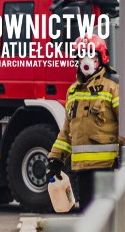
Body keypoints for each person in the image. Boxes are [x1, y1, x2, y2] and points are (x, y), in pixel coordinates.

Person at [47, 34, 121, 209]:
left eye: (90, 54)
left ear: (101, 58)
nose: (85, 60)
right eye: (81, 55)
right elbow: (67, 131)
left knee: (105, 220)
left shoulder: (114, 85)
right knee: (88, 219)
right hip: (81, 170)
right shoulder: (73, 91)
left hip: (107, 169)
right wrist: (56, 158)